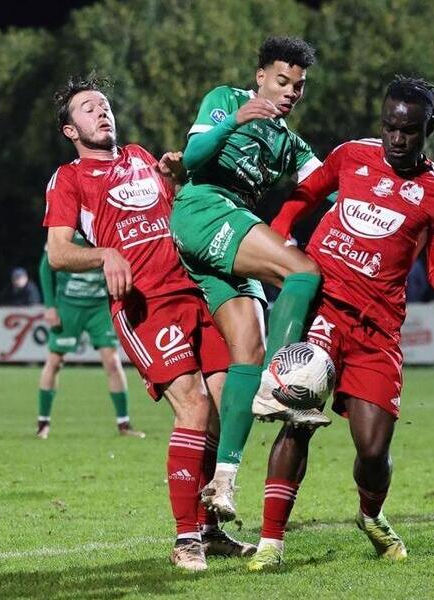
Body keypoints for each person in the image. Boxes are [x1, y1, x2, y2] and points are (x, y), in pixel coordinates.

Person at [251, 77, 434, 570]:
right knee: (297, 422)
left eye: (409, 130)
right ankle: (271, 542)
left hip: (377, 331)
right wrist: (282, 245)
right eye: (389, 127)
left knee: (373, 450)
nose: (397, 139)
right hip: (323, 312)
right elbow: (301, 197)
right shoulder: (351, 156)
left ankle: (370, 514)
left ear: (430, 129)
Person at [42, 74, 255, 571]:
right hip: (145, 305)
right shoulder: (70, 178)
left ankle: (210, 528)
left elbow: (180, 213)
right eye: (88, 108)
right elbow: (56, 252)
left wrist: (178, 178)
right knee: (195, 407)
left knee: (224, 407)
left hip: (195, 293)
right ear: (71, 130)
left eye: (104, 105)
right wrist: (104, 256)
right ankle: (186, 540)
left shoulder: (140, 156)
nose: (101, 112)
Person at [169, 36, 327, 523]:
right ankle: (284, 379)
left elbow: (328, 183)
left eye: (298, 87)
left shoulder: (288, 143)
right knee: (302, 271)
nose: (289, 92)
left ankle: (223, 480)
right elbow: (192, 158)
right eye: (282, 81)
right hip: (203, 208)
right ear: (260, 77)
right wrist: (236, 121)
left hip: (229, 232)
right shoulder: (226, 100)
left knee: (247, 352)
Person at [36, 235, 144, 439]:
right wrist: (50, 306)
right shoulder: (67, 230)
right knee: (55, 361)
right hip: (68, 305)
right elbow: (45, 267)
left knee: (112, 362)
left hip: (99, 307)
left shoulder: (105, 227)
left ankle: (124, 424)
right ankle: (43, 423)